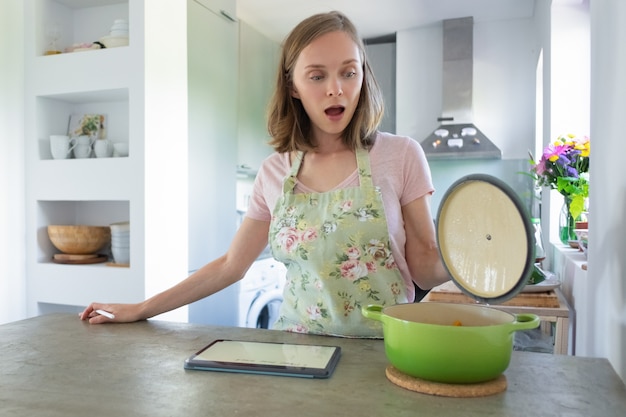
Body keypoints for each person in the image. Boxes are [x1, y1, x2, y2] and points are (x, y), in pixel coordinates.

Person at [80, 11, 450, 337]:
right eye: (317, 76)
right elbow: (230, 266)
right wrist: (141, 309)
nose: (336, 89)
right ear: (293, 86)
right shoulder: (275, 172)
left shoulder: (401, 155)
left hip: (384, 354)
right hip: (295, 355)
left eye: (348, 73)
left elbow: (424, 265)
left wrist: (473, 263)